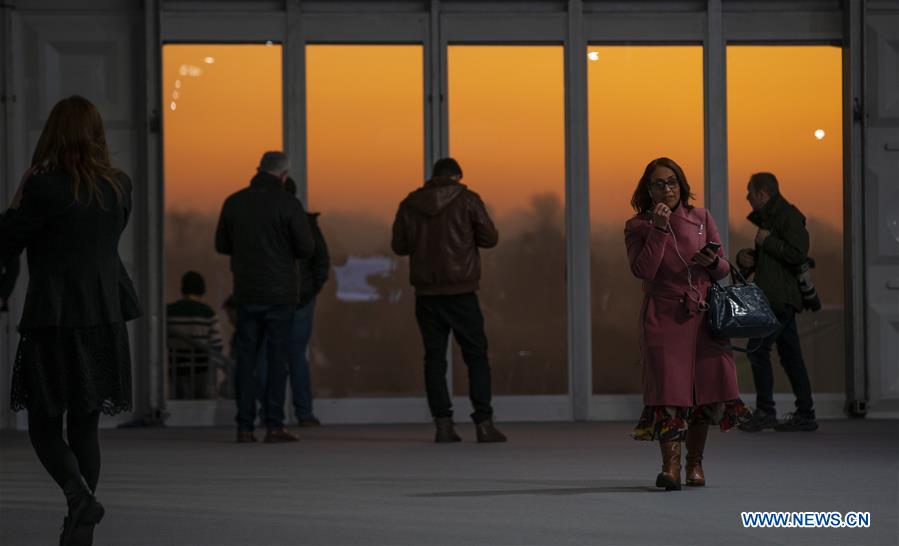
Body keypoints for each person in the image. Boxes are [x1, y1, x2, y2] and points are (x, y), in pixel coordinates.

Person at [0, 95, 142, 545]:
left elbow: (6, 243)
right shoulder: (119, 186)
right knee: (85, 425)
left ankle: (78, 499)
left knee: (44, 424)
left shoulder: (44, 188)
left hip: (55, 319)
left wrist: (17, 199)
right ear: (97, 134)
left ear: (53, 133)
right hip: (105, 318)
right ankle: (80, 526)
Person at [624, 157, 749, 491]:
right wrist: (659, 229)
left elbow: (724, 269)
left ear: (681, 185)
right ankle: (670, 468)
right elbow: (644, 270)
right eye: (659, 184)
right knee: (668, 392)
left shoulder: (701, 218)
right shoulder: (637, 225)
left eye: (672, 182)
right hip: (663, 316)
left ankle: (695, 464)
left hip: (704, 317)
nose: (667, 189)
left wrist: (713, 262)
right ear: (648, 190)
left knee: (704, 391)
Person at [391, 157, 506, 444]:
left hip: (427, 295)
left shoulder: (410, 204)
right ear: (457, 177)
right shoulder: (468, 200)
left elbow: (399, 246)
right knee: (476, 357)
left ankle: (443, 425)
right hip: (461, 291)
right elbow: (490, 238)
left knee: (434, 359)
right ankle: (484, 424)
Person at [215, 151, 314, 443]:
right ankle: (274, 425)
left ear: (259, 169)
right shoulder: (288, 203)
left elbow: (221, 244)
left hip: (247, 292)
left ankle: (245, 426)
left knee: (246, 359)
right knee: (277, 359)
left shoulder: (235, 202)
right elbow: (306, 247)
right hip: (280, 294)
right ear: (284, 175)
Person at [737, 172, 818, 432]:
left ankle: (766, 412)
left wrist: (767, 242)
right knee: (790, 356)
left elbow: (797, 254)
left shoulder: (787, 217)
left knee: (757, 350)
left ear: (762, 194)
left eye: (750, 193)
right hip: (779, 297)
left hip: (777, 299)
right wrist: (747, 258)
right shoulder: (773, 217)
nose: (747, 198)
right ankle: (805, 413)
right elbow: (775, 261)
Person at [256, 177, 329, 427]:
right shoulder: (306, 223)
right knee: (296, 356)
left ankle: (270, 413)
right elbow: (321, 260)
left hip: (271, 298)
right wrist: (311, 289)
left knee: (267, 356)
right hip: (299, 299)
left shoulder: (263, 223)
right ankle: (303, 413)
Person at [166, 271, 224, 399]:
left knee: (178, 401)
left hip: (177, 367)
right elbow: (217, 344)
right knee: (201, 402)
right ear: (202, 289)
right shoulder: (208, 313)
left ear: (183, 288)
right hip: (201, 369)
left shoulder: (169, 311)